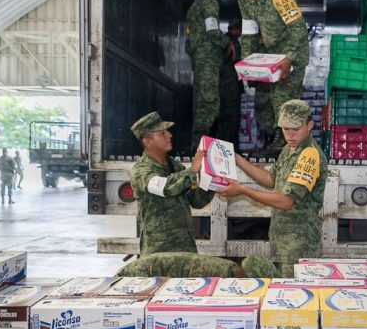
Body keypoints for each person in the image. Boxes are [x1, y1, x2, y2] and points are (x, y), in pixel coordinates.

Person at [217, 100, 327, 277]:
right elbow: (270, 179)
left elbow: (285, 202)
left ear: (310, 125)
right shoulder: (289, 149)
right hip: (283, 243)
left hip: (299, 247)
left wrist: (243, 190)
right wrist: (237, 159)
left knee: (294, 298)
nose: (290, 134)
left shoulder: (309, 155)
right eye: (285, 128)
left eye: (295, 128)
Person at [231, 0, 310, 158]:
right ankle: (280, 143)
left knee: (284, 97)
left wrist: (289, 58)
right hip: (271, 55)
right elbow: (249, 32)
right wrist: (246, 64)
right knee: (269, 100)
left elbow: (298, 28)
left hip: (293, 52)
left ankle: (284, 145)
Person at [130, 111, 215, 255]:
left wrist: (212, 179)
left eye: (167, 132)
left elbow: (196, 201)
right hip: (158, 251)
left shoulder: (176, 167)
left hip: (185, 247)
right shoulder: (140, 171)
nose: (169, 135)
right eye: (162, 133)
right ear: (147, 141)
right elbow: (165, 188)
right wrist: (193, 170)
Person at [186, 0, 236, 152]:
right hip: (208, 59)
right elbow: (212, 30)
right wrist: (227, 42)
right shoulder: (209, 4)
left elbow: (189, 40)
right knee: (209, 101)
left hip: (199, 58)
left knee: (201, 99)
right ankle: (201, 144)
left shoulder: (194, 7)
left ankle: (199, 141)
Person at [218, 18, 245, 151]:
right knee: (231, 119)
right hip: (230, 87)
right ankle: (231, 150)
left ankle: (226, 148)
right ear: (238, 29)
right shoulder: (232, 42)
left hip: (223, 86)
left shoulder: (223, 40)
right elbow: (237, 63)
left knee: (224, 119)